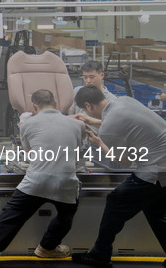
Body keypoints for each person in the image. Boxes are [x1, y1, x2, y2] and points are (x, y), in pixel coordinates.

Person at [0, 89, 85, 268]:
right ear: (56, 104)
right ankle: (47, 248)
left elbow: (28, 152)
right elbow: (76, 151)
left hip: (37, 180)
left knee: (12, 216)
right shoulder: (75, 125)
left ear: (34, 106)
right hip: (66, 181)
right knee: (66, 215)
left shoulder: (28, 124)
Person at [71, 86, 166, 268]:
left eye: (83, 109)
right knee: (156, 212)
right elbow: (121, 123)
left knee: (116, 200)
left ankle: (100, 255)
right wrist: (91, 120)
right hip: (163, 167)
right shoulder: (124, 101)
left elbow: (125, 162)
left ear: (88, 105)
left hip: (154, 169)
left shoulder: (108, 127)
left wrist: (99, 143)